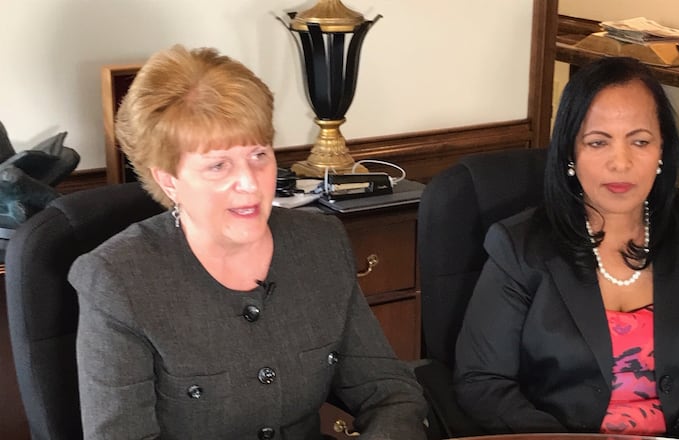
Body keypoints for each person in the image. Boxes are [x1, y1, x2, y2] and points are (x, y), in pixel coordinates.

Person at [70, 45, 427, 439]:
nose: (250, 183)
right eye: (219, 165)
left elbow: (390, 394)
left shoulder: (320, 244)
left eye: (259, 154)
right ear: (169, 179)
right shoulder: (118, 279)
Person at [454, 57, 679, 439]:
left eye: (639, 141)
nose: (621, 163)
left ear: (662, 150)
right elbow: (483, 382)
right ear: (571, 153)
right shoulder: (519, 247)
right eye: (598, 142)